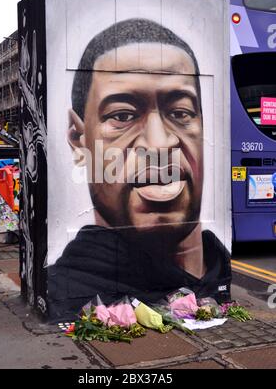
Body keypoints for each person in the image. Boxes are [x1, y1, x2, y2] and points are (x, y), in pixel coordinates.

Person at [49, 19, 231, 320]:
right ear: (79, 140)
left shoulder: (220, 268)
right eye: (122, 115)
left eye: (181, 113)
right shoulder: (63, 291)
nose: (159, 145)